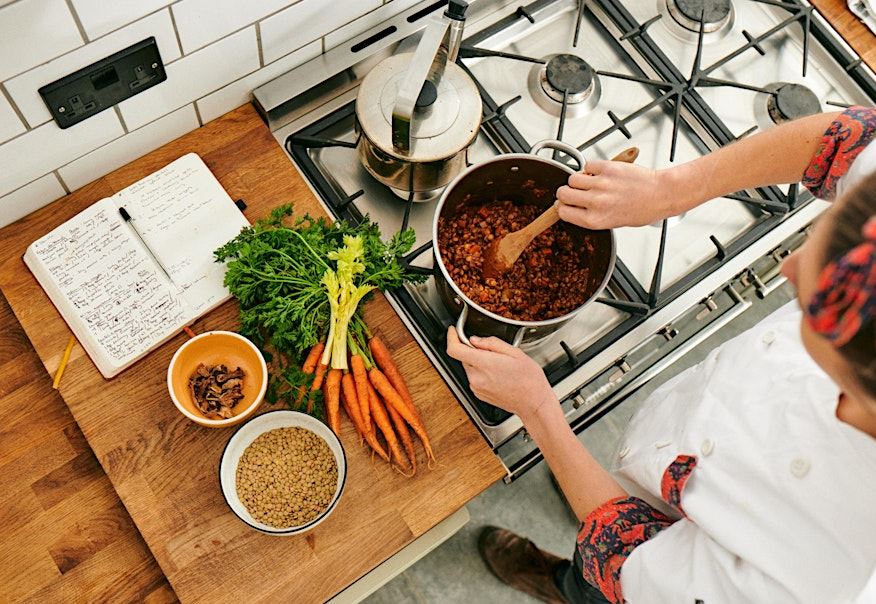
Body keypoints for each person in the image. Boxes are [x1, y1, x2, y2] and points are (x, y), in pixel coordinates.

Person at [446, 106, 876, 603]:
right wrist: (674, 189)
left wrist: (539, 411)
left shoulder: (824, 574)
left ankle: (560, 582)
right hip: (680, 453)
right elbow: (856, 137)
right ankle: (588, 491)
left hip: (650, 577)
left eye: (809, 300)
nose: (789, 269)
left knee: (591, 585)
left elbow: (630, 563)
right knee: (611, 489)